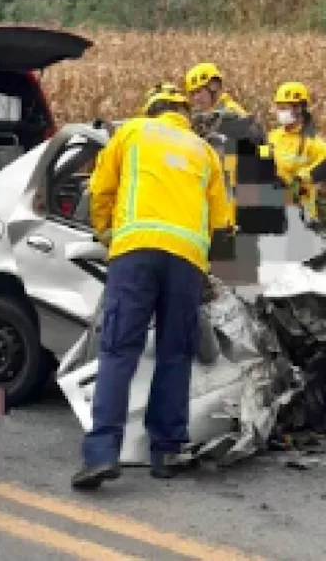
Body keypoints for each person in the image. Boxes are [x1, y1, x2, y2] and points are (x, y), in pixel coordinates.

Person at [71, 82, 235, 490]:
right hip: (186, 261)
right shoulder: (204, 152)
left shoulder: (132, 132)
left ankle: (102, 454)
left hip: (135, 253)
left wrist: (106, 233)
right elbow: (223, 223)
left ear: (151, 110)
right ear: (184, 115)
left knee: (118, 351)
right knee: (175, 354)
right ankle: (166, 450)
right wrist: (210, 270)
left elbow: (100, 189)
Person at [267, 81, 326, 228]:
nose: (279, 112)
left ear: (299, 108)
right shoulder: (273, 136)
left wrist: (301, 178)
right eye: (278, 108)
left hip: (302, 214)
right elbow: (261, 156)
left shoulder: (311, 141)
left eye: (284, 108)